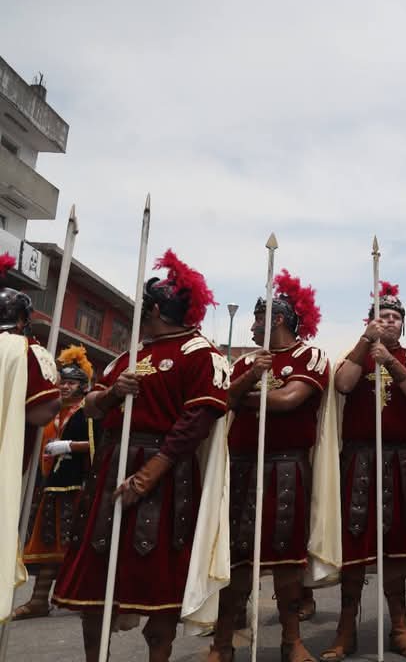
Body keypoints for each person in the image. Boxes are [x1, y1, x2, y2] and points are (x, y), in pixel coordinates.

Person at [53, 250, 230, 661]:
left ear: (154, 308)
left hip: (167, 472)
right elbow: (92, 408)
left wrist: (151, 473)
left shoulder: (200, 352)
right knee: (97, 581)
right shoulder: (128, 357)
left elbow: (197, 419)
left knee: (159, 581)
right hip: (112, 464)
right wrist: (114, 393)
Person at [208, 271, 332, 662]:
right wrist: (250, 378)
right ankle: (222, 642)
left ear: (274, 318)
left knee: (286, 559)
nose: (252, 323)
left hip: (286, 467)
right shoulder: (246, 360)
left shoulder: (309, 356)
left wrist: (245, 391)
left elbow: (288, 400)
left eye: (257, 316)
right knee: (236, 557)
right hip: (242, 464)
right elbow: (221, 399)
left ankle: (291, 641)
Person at [324, 282, 406, 661]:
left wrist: (390, 360)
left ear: (402, 326)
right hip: (359, 458)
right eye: (382, 317)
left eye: (395, 318)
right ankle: (345, 631)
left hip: (400, 459)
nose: (389, 322)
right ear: (371, 322)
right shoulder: (352, 353)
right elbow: (342, 384)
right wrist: (364, 344)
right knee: (355, 548)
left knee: (396, 549)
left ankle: (400, 627)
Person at [15, 345, 96, 620]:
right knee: (47, 544)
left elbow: (101, 444)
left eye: (71, 382)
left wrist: (70, 446)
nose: (64, 387)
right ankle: (39, 601)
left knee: (77, 544)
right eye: (62, 382)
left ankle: (83, 598)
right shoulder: (51, 411)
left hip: (79, 487)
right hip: (52, 485)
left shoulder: (89, 411)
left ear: (84, 387)